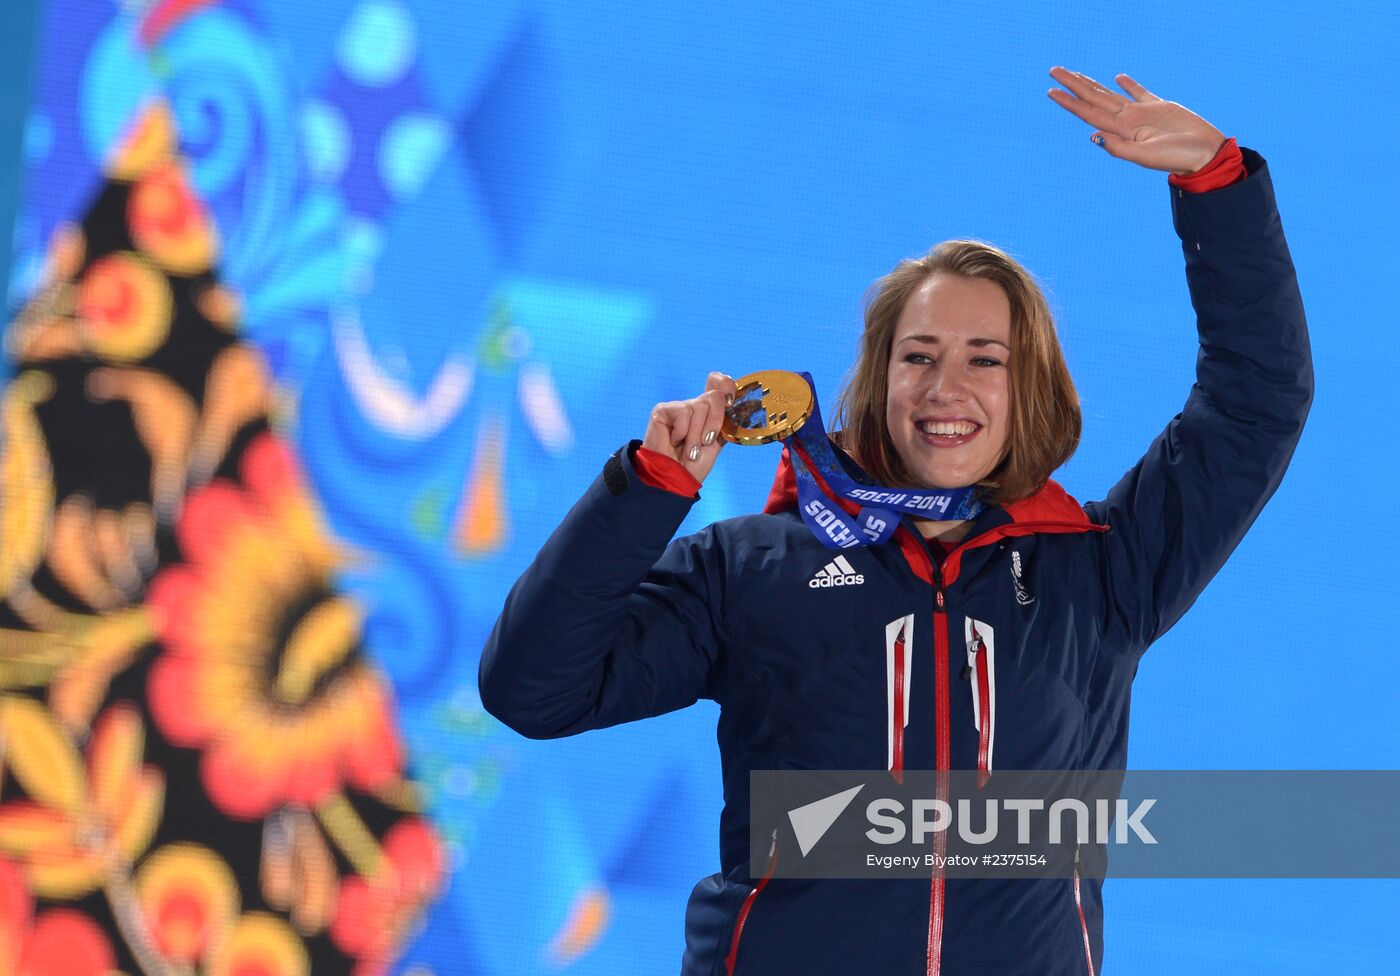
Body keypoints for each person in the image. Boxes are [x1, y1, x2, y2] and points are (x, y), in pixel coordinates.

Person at [478, 66, 1312, 975]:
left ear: (1026, 388)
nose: (947, 388)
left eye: (985, 360)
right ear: (878, 383)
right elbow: (533, 690)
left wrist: (1217, 184)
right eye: (919, 356)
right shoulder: (756, 569)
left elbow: (1255, 402)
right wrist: (644, 491)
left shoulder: (1100, 572)